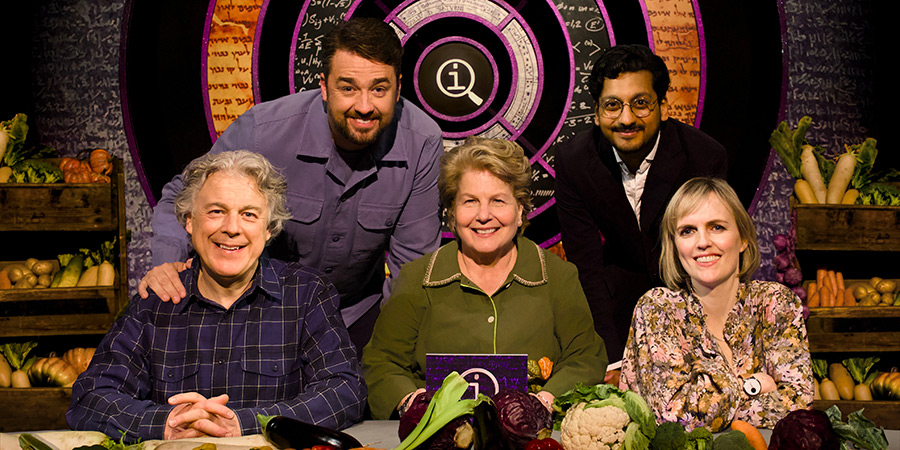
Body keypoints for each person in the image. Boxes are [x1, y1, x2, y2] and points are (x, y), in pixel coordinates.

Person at [141, 17, 444, 352]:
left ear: (398, 88)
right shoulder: (263, 130)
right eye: (348, 88)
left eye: (379, 89)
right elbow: (179, 197)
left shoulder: (422, 141)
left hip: (356, 314)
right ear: (324, 87)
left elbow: (411, 269)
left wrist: (385, 356)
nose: (364, 106)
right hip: (261, 310)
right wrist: (167, 264)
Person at [67, 151, 365, 441]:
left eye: (249, 214)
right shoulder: (154, 303)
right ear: (189, 221)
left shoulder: (307, 294)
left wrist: (245, 423)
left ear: (269, 229)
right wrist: (167, 423)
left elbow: (344, 390)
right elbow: (90, 397)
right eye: (216, 212)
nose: (232, 228)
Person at [362, 137, 608, 420]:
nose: (483, 215)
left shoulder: (559, 276)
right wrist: (412, 403)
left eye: (498, 201)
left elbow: (586, 358)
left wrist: (544, 401)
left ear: (520, 211)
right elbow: (381, 363)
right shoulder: (417, 278)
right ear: (452, 213)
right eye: (470, 202)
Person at [553, 44, 728, 381]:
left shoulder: (704, 157)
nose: (627, 118)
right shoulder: (575, 160)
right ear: (596, 112)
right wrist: (613, 360)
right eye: (613, 105)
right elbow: (586, 265)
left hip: (691, 297)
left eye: (641, 103)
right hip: (618, 305)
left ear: (663, 107)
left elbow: (712, 260)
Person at [619, 177, 813, 431]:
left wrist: (709, 402)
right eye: (687, 231)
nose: (702, 242)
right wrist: (751, 386)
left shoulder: (775, 303)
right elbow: (674, 418)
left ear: (743, 239)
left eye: (717, 227)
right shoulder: (658, 308)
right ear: (675, 246)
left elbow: (798, 405)